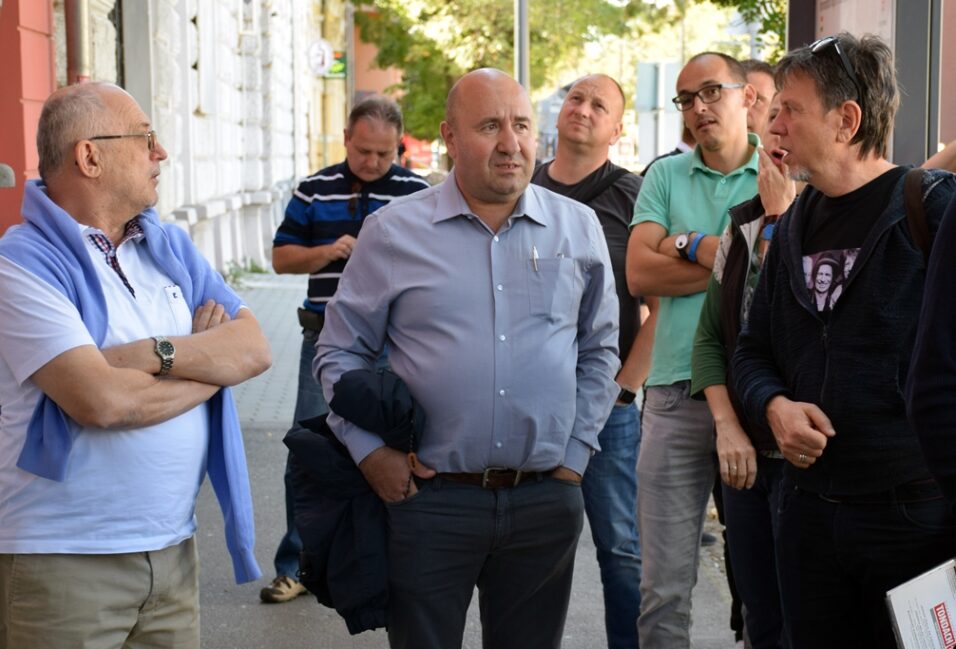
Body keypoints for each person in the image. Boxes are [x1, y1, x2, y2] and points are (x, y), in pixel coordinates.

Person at [316, 68, 620, 649]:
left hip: (543, 499)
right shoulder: (394, 232)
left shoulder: (577, 227)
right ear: (450, 137)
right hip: (430, 503)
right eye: (489, 127)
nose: (511, 144)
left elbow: (600, 348)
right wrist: (370, 452)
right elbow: (338, 352)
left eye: (521, 125)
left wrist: (574, 456)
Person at [0, 82, 271, 648]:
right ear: (89, 156)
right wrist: (209, 365)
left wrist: (151, 355)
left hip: (173, 552)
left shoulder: (168, 246)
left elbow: (253, 351)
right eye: (145, 138)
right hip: (64, 562)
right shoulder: (19, 265)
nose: (161, 152)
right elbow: (104, 402)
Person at [731, 33, 956, 649]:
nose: (773, 123)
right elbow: (752, 350)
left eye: (790, 108)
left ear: (846, 120)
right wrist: (774, 405)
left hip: (915, 521)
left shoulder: (931, 209)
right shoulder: (793, 224)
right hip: (807, 517)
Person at [263, 96, 429, 603]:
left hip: (396, 349)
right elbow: (281, 258)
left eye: (384, 153)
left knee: (402, 453)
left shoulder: (417, 194)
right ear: (346, 139)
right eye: (364, 152)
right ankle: (298, 566)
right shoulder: (314, 189)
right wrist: (327, 252)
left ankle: (400, 563)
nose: (373, 162)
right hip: (323, 343)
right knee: (309, 450)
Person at [626, 51, 758, 649]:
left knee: (762, 584)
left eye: (710, 92)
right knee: (663, 590)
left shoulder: (782, 171)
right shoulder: (665, 176)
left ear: (746, 96)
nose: (698, 107)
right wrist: (733, 260)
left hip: (757, 397)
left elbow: (773, 279)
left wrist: (684, 244)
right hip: (674, 395)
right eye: (686, 99)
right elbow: (638, 274)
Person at [531, 72, 654, 649]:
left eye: (598, 105)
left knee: (621, 549)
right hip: (530, 405)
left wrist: (623, 390)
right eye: (576, 98)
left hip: (608, 408)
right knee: (528, 550)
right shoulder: (523, 185)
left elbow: (663, 309)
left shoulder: (634, 196)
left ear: (617, 129)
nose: (582, 109)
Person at [691, 92, 796, 649]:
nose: (774, 131)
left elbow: (795, 318)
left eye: (789, 117)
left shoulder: (832, 224)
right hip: (748, 463)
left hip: (807, 466)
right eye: (771, 117)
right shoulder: (741, 226)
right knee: (761, 616)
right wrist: (726, 427)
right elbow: (710, 340)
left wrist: (780, 219)